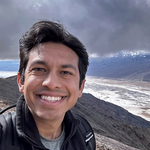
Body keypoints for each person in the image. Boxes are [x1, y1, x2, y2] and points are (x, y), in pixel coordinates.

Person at [0, 20, 96, 150]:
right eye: (39, 69)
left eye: (66, 72)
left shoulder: (84, 132)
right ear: (21, 81)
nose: (51, 83)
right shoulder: (2, 134)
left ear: (80, 87)